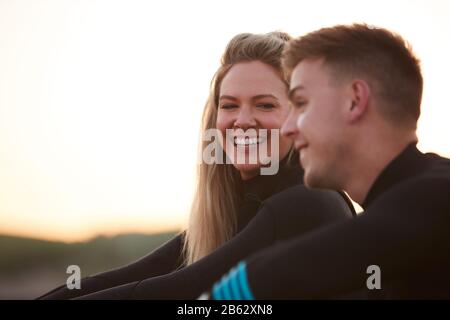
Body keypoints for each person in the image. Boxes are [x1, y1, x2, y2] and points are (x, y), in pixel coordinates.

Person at [39, 32, 355, 299]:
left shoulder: (308, 202)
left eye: (265, 104)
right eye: (229, 105)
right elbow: (124, 278)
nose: (242, 120)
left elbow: (178, 292)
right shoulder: (238, 215)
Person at [206, 24, 450, 299]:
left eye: (300, 103)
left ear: (354, 101)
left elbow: (265, 277)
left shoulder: (435, 197)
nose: (288, 128)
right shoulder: (409, 226)